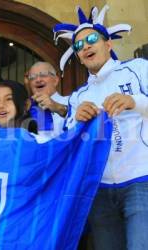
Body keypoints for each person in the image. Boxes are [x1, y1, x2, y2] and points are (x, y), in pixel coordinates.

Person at [54, 5, 148, 250]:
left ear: (109, 44)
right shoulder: (78, 97)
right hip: (99, 190)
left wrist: (133, 101)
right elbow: (68, 143)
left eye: (92, 39)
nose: (85, 46)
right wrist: (77, 122)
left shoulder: (138, 68)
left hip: (141, 181)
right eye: (78, 45)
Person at [27, 61, 68, 137]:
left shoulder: (71, 102)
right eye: (32, 77)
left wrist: (58, 108)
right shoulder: (26, 108)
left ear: (55, 80)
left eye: (43, 75)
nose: (38, 80)